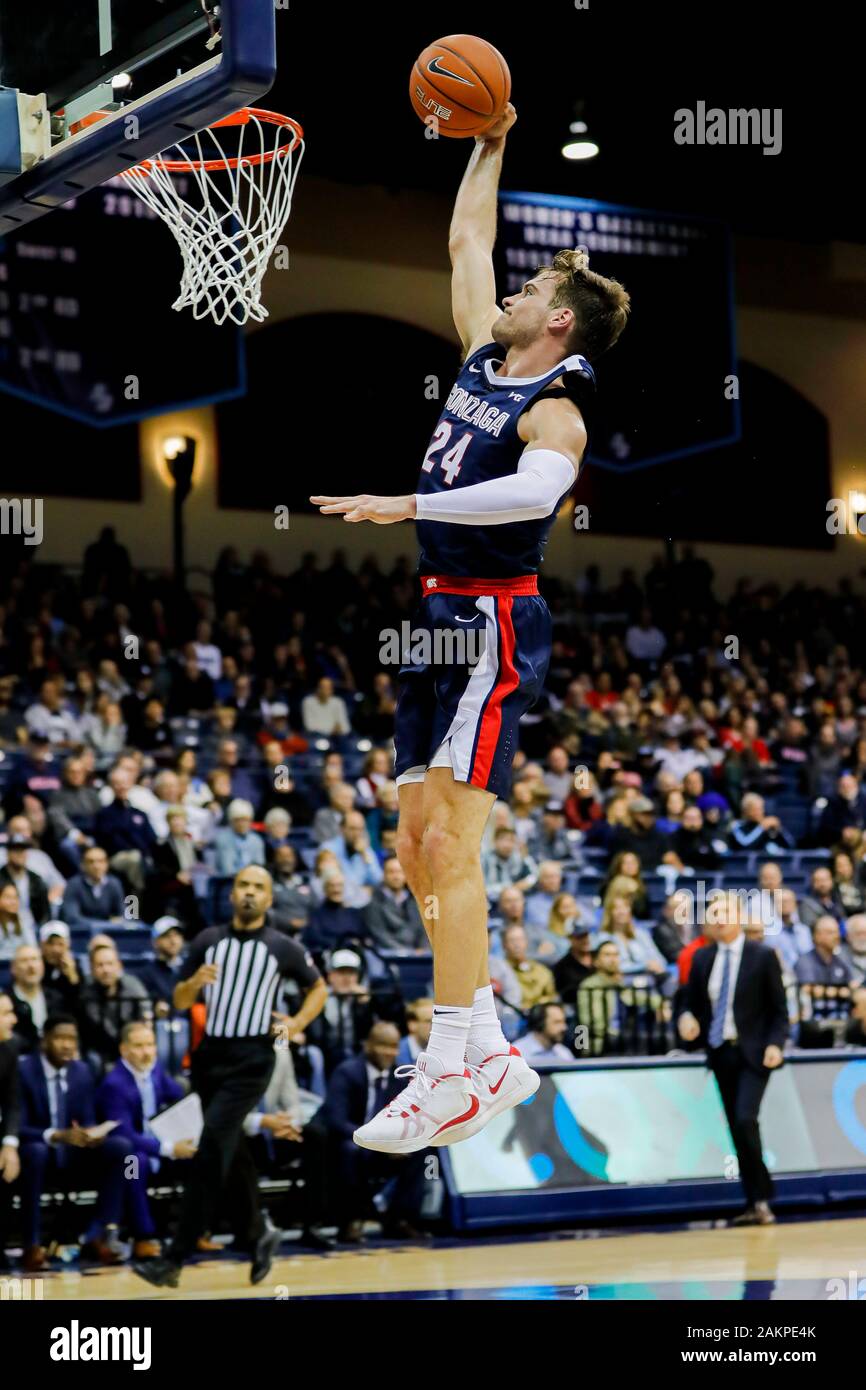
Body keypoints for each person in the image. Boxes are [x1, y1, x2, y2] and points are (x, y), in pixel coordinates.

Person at [312, 100, 629, 1154]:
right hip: (433, 616)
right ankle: (486, 1045)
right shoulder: (477, 361)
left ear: (559, 325)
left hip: (494, 624)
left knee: (452, 840)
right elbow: (465, 238)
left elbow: (531, 497)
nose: (507, 290)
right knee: (412, 845)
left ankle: (452, 1062)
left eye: (530, 291)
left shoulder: (557, 411)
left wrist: (413, 505)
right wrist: (489, 146)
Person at [133, 864, 328, 1290]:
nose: (250, 893)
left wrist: (295, 1024)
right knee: (232, 1150)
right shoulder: (208, 941)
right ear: (231, 893)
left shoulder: (282, 947)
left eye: (259, 887)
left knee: (209, 1151)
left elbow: (320, 989)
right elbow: (179, 998)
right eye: (243, 885)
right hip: (210, 1057)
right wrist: (195, 982)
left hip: (253, 1058)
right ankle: (259, 1235)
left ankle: (174, 1258)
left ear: (270, 898)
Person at [678, 892, 788, 1226]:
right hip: (720, 1052)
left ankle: (763, 1195)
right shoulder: (702, 959)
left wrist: (776, 1044)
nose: (719, 916)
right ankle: (754, 1201)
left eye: (724, 910)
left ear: (739, 914)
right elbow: (688, 1002)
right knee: (736, 1130)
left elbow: (779, 1011)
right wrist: (685, 1017)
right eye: (713, 912)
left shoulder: (763, 955)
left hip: (754, 1054)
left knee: (745, 1119)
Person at [17, 1014, 130, 1270]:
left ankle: (99, 1234)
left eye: (72, 1039)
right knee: (35, 1152)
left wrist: (89, 1136)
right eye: (59, 1038)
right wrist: (55, 1135)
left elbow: (88, 1118)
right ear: (44, 1041)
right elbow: (17, 1126)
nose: (67, 1045)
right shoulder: (24, 1070)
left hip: (78, 1155)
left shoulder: (82, 1071)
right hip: (37, 1154)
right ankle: (31, 1245)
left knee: (125, 1152)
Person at [321, 1022, 426, 1242]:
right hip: (351, 1143)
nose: (389, 1052)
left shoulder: (399, 1076)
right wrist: (378, 1140)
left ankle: (400, 1219)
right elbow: (337, 1121)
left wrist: (399, 1141)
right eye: (383, 1045)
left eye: (394, 1046)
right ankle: (351, 1221)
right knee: (350, 1150)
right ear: (368, 1045)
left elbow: (405, 1117)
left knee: (422, 1149)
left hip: (381, 1147)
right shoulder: (347, 1072)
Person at [96, 1020, 192, 1259]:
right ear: (124, 1050)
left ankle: (197, 1231)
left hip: (158, 1146)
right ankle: (143, 1236)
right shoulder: (114, 1084)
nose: (146, 1052)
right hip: (125, 1154)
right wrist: (168, 1148)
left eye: (150, 1045)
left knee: (200, 1157)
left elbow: (178, 1096)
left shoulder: (155, 1070)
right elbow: (124, 1134)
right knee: (133, 1164)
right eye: (139, 1046)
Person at [79, 943, 153, 1072]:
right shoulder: (85, 991)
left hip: (131, 1043)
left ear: (119, 966)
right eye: (100, 965)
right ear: (91, 969)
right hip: (99, 1049)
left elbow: (146, 1016)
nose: (105, 969)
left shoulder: (133, 986)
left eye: (109, 964)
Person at [362, 856, 426, 951]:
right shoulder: (373, 902)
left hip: (416, 956)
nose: (396, 877)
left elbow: (422, 930)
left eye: (400, 872)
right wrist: (406, 953)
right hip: (388, 955)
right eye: (391, 872)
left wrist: (422, 949)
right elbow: (380, 935)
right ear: (384, 875)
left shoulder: (415, 901)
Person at [0, 992, 21, 1268]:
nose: (13, 1020)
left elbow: (13, 1102)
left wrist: (9, 1144)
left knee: (8, 1167)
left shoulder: (9, 1048)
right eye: (6, 1014)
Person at [60, 844, 126, 930]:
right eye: (91, 862)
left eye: (100, 861)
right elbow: (72, 918)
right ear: (83, 865)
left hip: (109, 934)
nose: (96, 866)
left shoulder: (114, 884)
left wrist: (115, 923)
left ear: (107, 864)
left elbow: (122, 915)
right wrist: (107, 925)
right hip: (82, 934)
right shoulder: (73, 885)